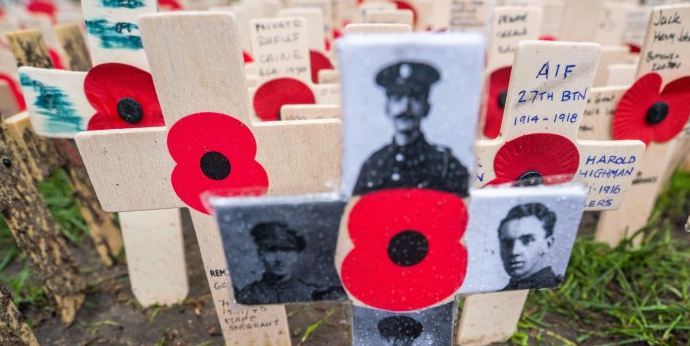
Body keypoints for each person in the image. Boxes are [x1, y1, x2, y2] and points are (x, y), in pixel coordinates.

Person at [352, 61, 470, 197]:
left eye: (415, 97)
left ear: (427, 107)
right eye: (397, 97)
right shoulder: (373, 166)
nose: (405, 107)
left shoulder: (446, 166)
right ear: (387, 107)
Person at [237, 222, 343, 304]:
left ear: (296, 255)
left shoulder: (313, 295)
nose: (280, 259)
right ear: (261, 254)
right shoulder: (247, 297)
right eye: (271, 250)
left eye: (286, 251)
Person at [498, 203, 563, 291]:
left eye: (527, 240)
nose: (514, 251)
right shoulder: (500, 293)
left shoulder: (556, 291)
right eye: (507, 243)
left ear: (547, 244)